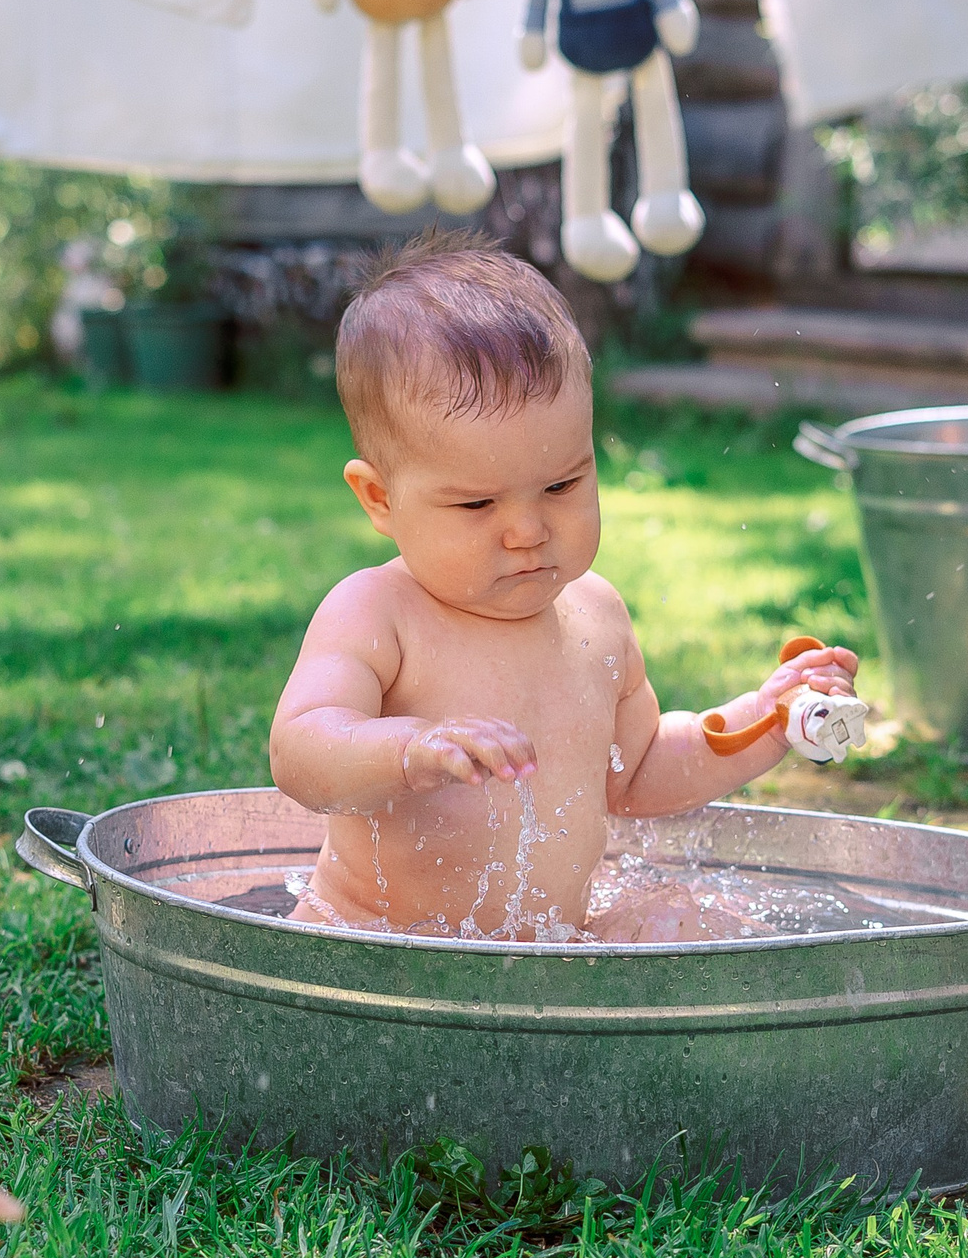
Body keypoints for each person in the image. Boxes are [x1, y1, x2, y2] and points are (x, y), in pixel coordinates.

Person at [268, 234, 858, 942]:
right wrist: (409, 749)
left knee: (685, 924)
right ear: (380, 500)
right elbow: (302, 753)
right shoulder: (378, 613)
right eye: (476, 505)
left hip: (543, 957)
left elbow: (635, 773)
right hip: (370, 949)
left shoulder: (595, 615)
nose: (527, 531)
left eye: (561, 485)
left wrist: (764, 720)